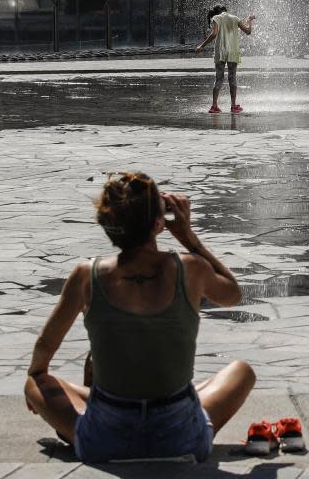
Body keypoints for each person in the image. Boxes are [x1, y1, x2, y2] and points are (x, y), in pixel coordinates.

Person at [23, 172, 256, 463]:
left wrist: (37, 377)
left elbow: (45, 347)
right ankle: (169, 403)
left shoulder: (86, 276)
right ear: (159, 223)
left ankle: (88, 419)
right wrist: (188, 237)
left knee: (37, 382)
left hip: (105, 439)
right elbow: (232, 293)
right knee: (241, 371)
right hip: (181, 438)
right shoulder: (191, 269)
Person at [196, 5, 255, 114]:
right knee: (232, 78)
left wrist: (202, 46)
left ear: (217, 12)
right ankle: (233, 106)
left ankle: (214, 106)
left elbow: (214, 34)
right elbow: (248, 31)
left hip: (220, 51)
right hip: (233, 52)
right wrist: (249, 20)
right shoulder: (235, 18)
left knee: (219, 78)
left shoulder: (216, 18)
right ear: (225, 10)